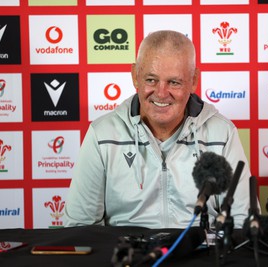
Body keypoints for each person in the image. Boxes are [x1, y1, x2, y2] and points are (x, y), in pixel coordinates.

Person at [65, 30, 252, 229]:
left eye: (174, 82)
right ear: (135, 76)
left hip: (200, 255)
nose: (161, 93)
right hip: (128, 256)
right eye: (151, 80)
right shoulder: (102, 134)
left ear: (194, 80)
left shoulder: (222, 133)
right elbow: (80, 226)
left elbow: (242, 221)